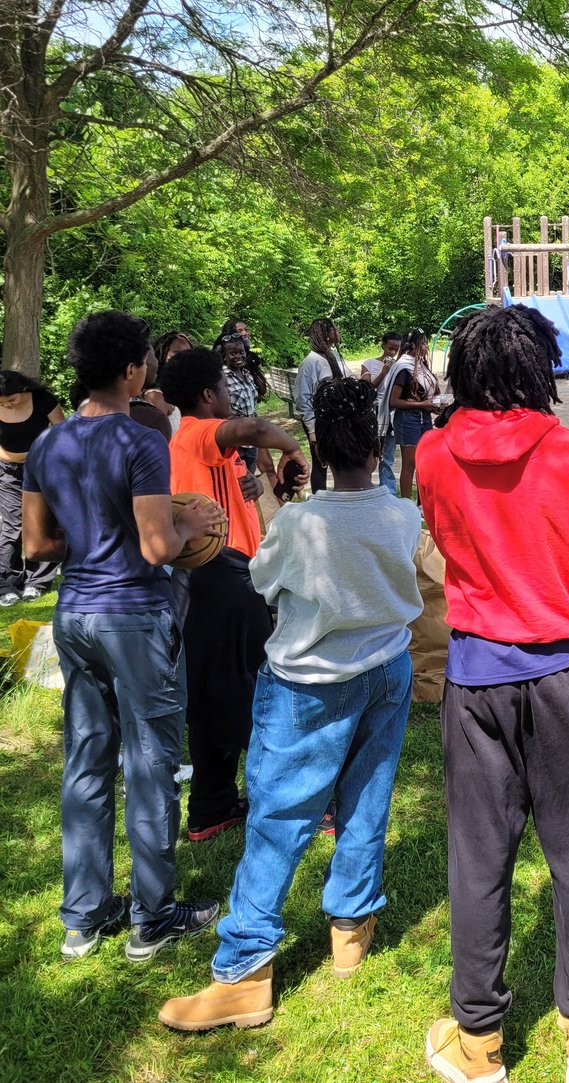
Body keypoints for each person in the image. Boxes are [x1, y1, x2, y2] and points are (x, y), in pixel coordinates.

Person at [158, 377, 422, 1030]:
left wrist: (278, 499)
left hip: (309, 683)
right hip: (387, 671)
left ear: (318, 447)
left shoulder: (302, 522)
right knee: (365, 799)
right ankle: (350, 933)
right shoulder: (402, 512)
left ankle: (245, 973)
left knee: (279, 818)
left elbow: (262, 580)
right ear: (375, 438)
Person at [416, 305, 569, 1083]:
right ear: (540, 370)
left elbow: (443, 542)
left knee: (478, 858)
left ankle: (478, 1044)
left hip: (475, 681)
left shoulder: (434, 455)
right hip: (567, 675)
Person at [21, 311, 224, 962]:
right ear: (132, 370)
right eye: (148, 360)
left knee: (87, 761)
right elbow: (159, 543)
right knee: (150, 762)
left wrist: (93, 534)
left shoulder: (47, 445)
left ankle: (83, 917)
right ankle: (153, 916)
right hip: (132, 615)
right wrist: (193, 519)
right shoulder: (141, 442)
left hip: (73, 614)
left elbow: (36, 545)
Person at [158, 347, 310, 843]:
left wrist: (265, 488)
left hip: (210, 575)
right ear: (208, 395)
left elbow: (235, 489)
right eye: (224, 388)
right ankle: (291, 800)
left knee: (210, 692)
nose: (231, 396)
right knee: (261, 689)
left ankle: (212, 806)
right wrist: (291, 447)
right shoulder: (200, 433)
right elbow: (251, 429)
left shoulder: (198, 447)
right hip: (221, 576)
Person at [0, 371, 64, 605]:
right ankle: (7, 583)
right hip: (8, 471)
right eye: (2, 403)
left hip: (43, 469)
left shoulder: (43, 400)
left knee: (43, 522)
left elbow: (62, 431)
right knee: (12, 525)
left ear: (24, 390)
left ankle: (37, 582)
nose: (7, 404)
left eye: (11, 400)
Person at [295, 318, 350, 492]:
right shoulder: (311, 362)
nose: (338, 331)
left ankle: (340, 496)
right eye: (334, 329)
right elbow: (303, 398)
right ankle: (320, 498)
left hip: (335, 418)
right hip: (319, 421)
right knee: (321, 463)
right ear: (326, 334)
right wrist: (312, 429)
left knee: (339, 459)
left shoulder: (330, 356)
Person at [390, 328, 440, 502]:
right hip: (407, 419)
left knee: (424, 463)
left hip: (423, 417)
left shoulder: (420, 365)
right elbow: (393, 401)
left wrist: (432, 406)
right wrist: (422, 404)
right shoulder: (404, 367)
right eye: (423, 343)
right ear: (413, 346)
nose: (426, 347)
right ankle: (406, 504)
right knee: (410, 464)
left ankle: (422, 503)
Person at [361, 331, 404, 494]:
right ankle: (364, 488)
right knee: (369, 454)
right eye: (390, 348)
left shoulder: (400, 367)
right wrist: (384, 372)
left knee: (387, 457)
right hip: (372, 416)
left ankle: (388, 492)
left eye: (396, 349)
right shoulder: (369, 364)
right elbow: (366, 390)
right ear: (383, 345)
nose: (392, 353)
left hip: (391, 416)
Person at [214, 331, 261, 475]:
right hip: (234, 440)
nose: (238, 356)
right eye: (233, 354)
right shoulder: (222, 377)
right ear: (224, 356)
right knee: (236, 478)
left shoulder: (247, 374)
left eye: (241, 352)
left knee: (250, 476)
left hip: (251, 440)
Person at [219, 317, 269, 401]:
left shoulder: (250, 359)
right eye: (239, 331)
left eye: (246, 329)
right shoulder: (222, 367)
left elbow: (263, 390)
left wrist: (250, 366)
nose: (245, 333)